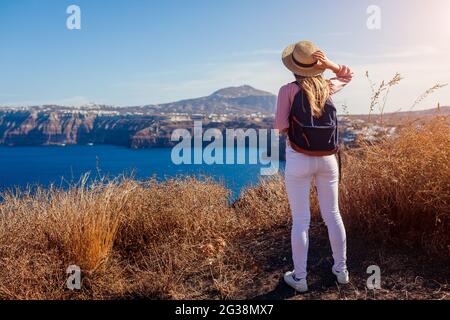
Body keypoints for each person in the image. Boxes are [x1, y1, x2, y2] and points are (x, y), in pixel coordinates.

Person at [275, 40, 353, 293]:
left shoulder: (288, 90)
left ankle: (300, 278)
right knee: (333, 215)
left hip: (298, 158)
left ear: (293, 67)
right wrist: (329, 63)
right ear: (316, 65)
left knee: (301, 221)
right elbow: (347, 74)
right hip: (328, 160)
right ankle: (341, 271)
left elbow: (281, 127)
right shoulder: (327, 87)